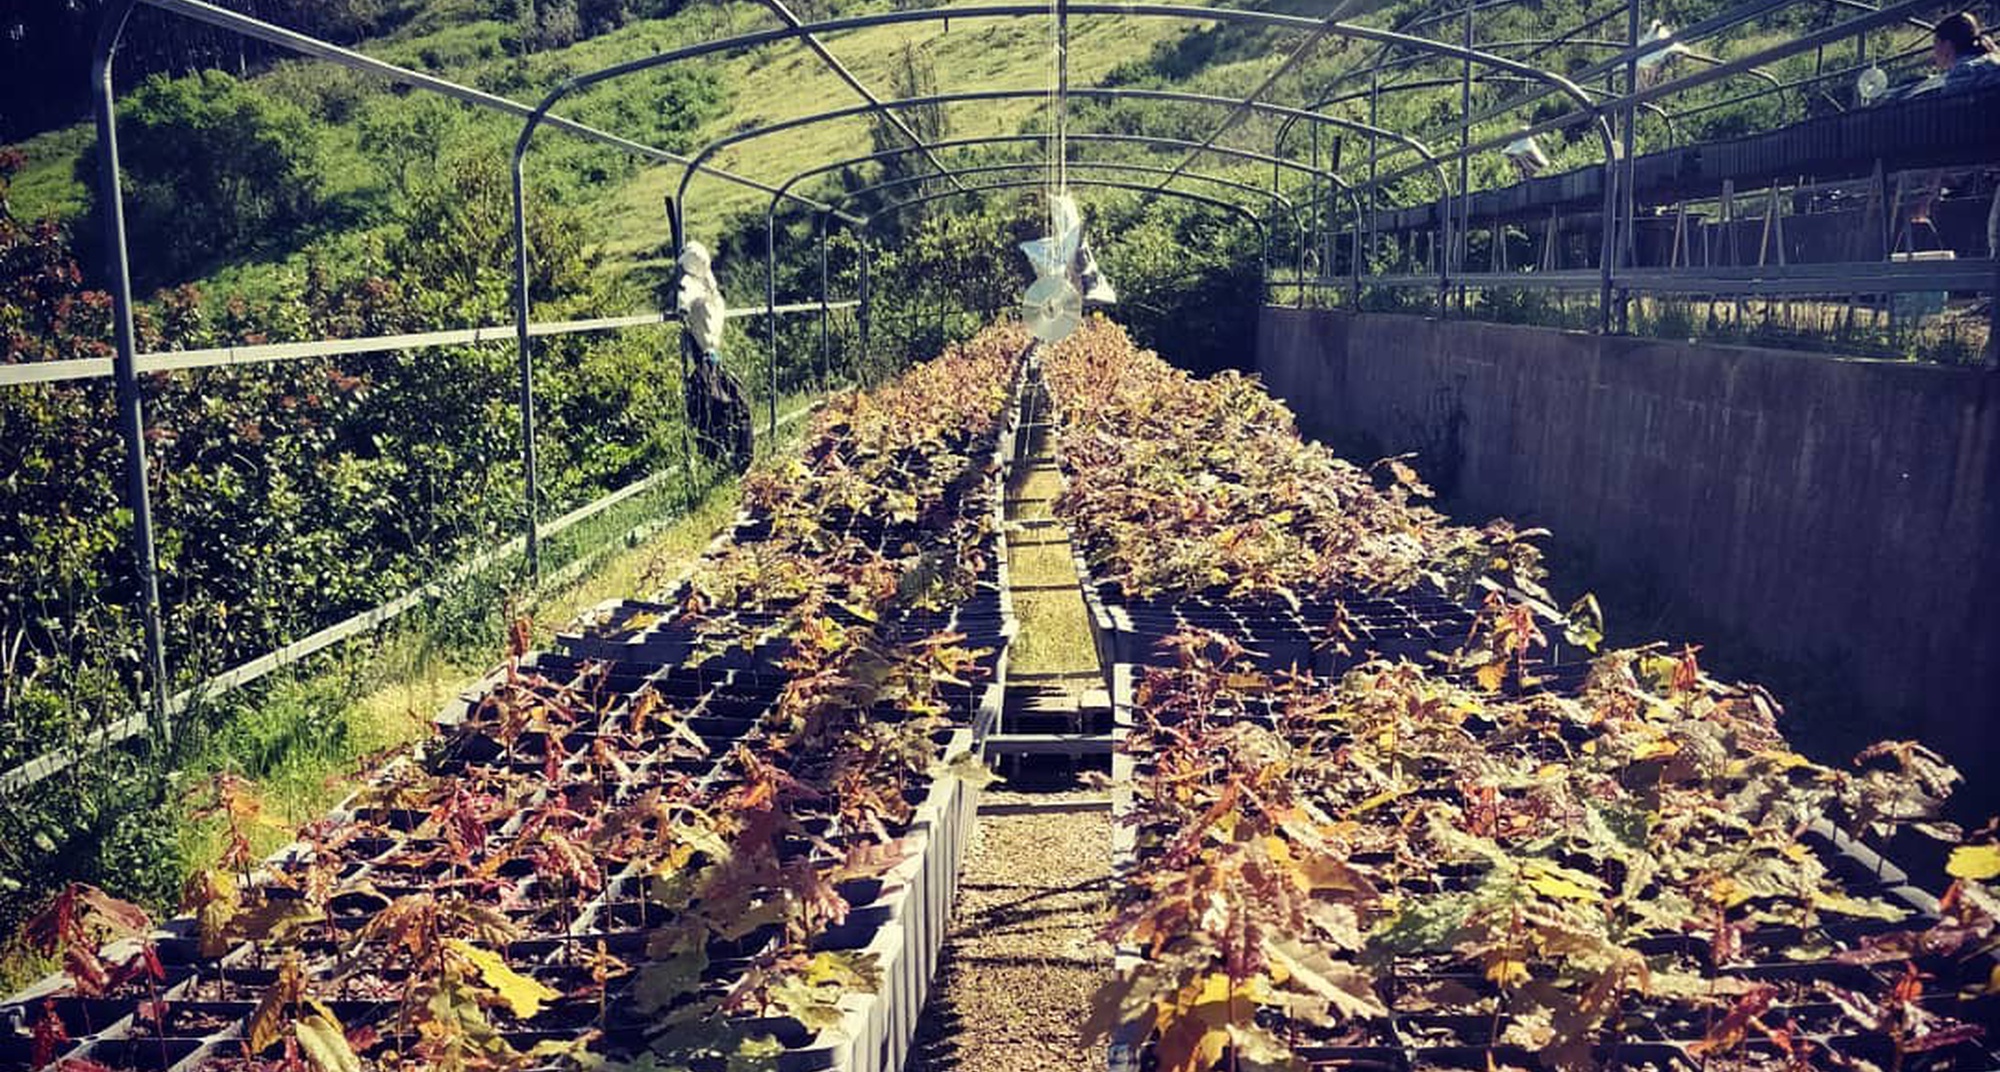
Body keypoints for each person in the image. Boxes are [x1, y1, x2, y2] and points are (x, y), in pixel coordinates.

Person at [674, 240, 754, 473]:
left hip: (705, 353)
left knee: (708, 401)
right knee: (723, 397)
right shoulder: (712, 291)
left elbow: (683, 305)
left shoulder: (691, 286)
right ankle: (731, 452)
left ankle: (715, 453)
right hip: (713, 351)